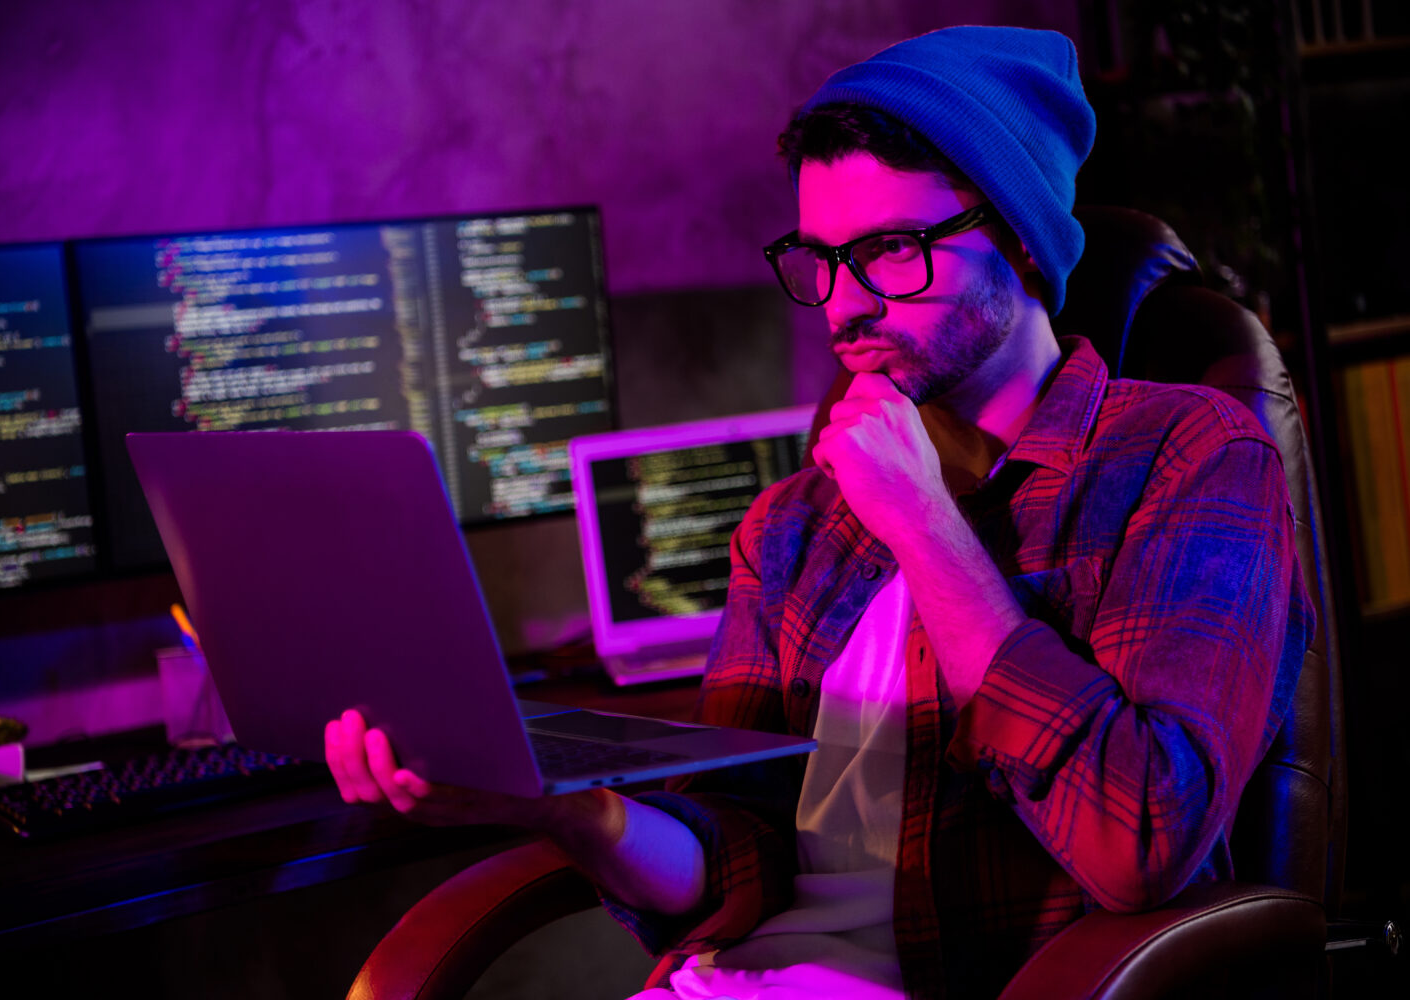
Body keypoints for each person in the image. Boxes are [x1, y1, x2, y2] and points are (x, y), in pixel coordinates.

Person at [325, 24, 1313, 999]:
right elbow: (737, 856)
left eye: (889, 252)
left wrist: (926, 525)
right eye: (820, 259)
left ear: (1015, 235)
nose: (842, 307)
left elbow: (1140, 839)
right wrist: (570, 811)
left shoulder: (1190, 458)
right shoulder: (794, 525)